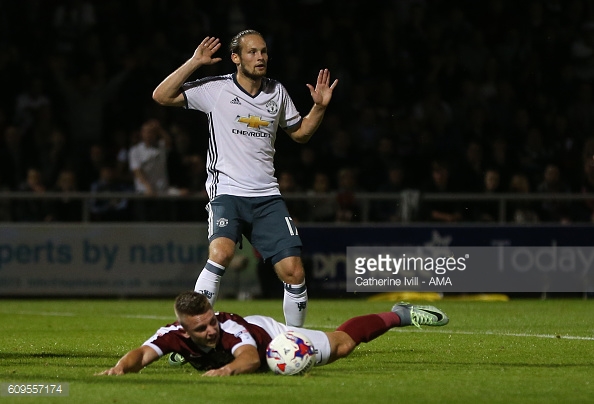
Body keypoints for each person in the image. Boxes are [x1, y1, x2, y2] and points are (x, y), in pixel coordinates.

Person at [152, 31, 338, 327]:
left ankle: (294, 343)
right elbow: (162, 96)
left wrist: (319, 107)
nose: (260, 57)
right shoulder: (217, 89)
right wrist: (195, 62)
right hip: (227, 191)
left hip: (267, 196)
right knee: (221, 253)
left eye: (263, 51)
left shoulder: (277, 92)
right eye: (252, 52)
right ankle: (193, 334)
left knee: (294, 272)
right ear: (236, 58)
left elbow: (301, 133)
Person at [97, 291, 449, 376]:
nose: (209, 329)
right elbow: (141, 354)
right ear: (185, 330)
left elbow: (249, 358)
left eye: (210, 323)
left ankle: (398, 314)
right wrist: (119, 369)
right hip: (219, 352)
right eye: (200, 328)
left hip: (268, 338)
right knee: (169, 353)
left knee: (341, 346)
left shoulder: (230, 328)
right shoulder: (172, 331)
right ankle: (189, 358)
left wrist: (227, 370)